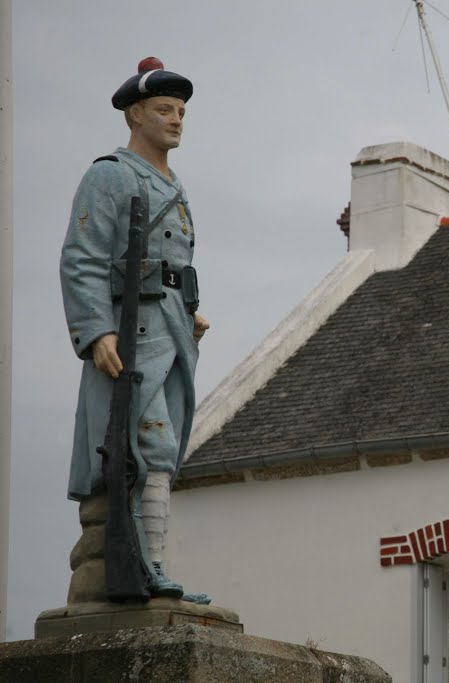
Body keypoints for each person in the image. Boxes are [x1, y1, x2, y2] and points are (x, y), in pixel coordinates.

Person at [59, 57, 209, 603]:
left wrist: (189, 311)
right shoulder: (110, 175)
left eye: (182, 112)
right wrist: (97, 331)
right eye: (165, 109)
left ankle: (154, 567)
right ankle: (145, 568)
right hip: (132, 333)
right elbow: (84, 258)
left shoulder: (176, 186)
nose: (177, 120)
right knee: (149, 446)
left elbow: (173, 261)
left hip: (171, 329)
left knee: (165, 451)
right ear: (135, 114)